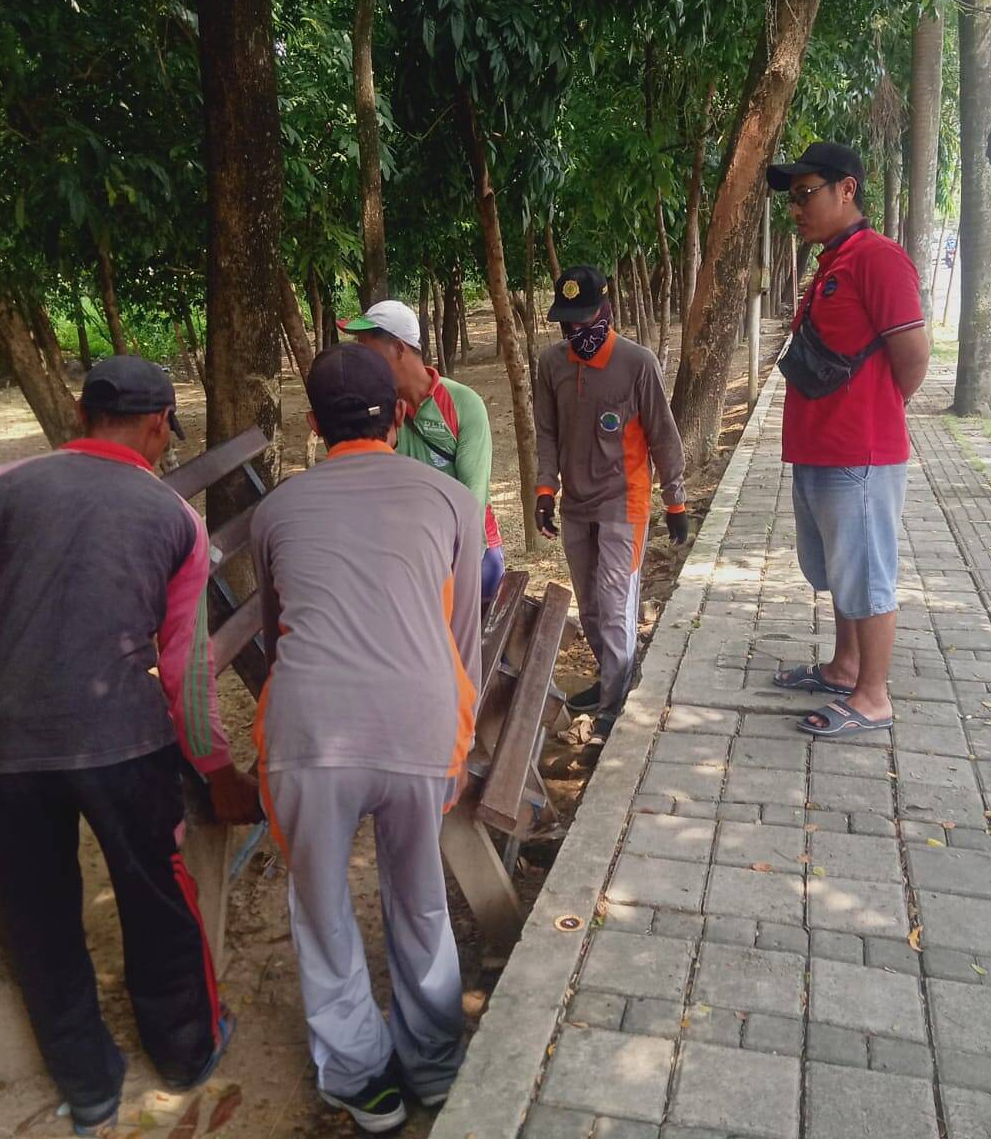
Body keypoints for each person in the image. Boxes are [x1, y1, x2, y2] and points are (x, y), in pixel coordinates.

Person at [0, 356, 257, 1136]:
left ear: (79, 416)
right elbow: (184, 667)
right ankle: (184, 1052)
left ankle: (88, 1086)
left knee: (36, 915)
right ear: (155, 429)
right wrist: (214, 766)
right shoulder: (174, 517)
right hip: (118, 740)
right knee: (155, 892)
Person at [249, 343, 480, 1133]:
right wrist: (458, 742)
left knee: (321, 907)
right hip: (421, 724)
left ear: (313, 424)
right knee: (420, 901)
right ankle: (436, 1065)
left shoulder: (276, 509)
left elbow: (282, 630)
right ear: (402, 413)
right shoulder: (450, 500)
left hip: (310, 735)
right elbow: (463, 641)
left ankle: (361, 1081)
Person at [766, 141, 931, 736]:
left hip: (858, 451)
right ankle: (844, 667)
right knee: (837, 568)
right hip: (819, 445)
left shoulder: (878, 259)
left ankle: (872, 697)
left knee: (866, 574)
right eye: (792, 198)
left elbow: (912, 356)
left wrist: (877, 412)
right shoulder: (836, 260)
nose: (796, 208)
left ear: (847, 190)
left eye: (805, 194)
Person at [534, 264, 688, 744]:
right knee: (592, 607)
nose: (575, 330)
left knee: (617, 603)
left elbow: (663, 435)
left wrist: (675, 499)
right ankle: (610, 679)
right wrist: (544, 490)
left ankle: (614, 704)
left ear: (606, 308)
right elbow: (546, 433)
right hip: (576, 506)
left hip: (626, 502)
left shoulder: (636, 363)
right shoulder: (551, 364)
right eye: (567, 322)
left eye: (584, 319)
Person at [339, 298, 507, 604]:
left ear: (399, 349)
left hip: (469, 556)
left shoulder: (463, 404)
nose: (362, 361)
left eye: (368, 348)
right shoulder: (377, 412)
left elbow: (472, 500)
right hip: (406, 560)